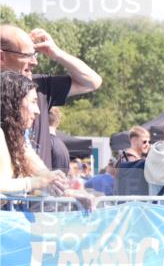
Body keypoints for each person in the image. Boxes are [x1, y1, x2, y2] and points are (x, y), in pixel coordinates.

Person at [0, 25, 101, 168]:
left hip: (39, 180)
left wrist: (56, 53)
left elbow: (92, 82)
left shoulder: (39, 85)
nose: (34, 62)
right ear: (2, 57)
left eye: (35, 54)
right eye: (26, 55)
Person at [0, 71, 68, 195]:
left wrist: (49, 177)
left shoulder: (14, 136)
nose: (37, 111)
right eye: (33, 102)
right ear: (13, 102)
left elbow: (29, 156)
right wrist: (34, 183)